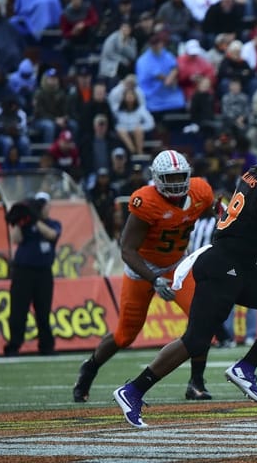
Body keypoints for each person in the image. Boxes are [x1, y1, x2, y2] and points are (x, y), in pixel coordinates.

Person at [113, 135, 257, 427]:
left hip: (239, 264)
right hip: (223, 268)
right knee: (196, 340)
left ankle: (245, 368)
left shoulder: (256, 174)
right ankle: (132, 390)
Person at [73, 151, 215, 403]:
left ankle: (196, 382)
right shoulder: (145, 201)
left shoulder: (200, 191)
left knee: (202, 320)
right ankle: (90, 367)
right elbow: (127, 249)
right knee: (125, 336)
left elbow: (211, 209)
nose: (176, 183)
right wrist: (154, 279)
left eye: (180, 177)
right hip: (142, 268)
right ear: (157, 179)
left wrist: (222, 211)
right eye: (169, 178)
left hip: (176, 265)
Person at [4, 192, 61, 356]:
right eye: (39, 205)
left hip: (44, 273)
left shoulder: (53, 224)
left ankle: (46, 346)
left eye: (44, 204)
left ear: (49, 206)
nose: (41, 207)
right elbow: (16, 239)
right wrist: (17, 222)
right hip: (23, 272)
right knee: (18, 310)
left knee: (43, 311)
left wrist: (35, 219)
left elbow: (52, 235)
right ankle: (13, 346)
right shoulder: (25, 224)